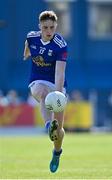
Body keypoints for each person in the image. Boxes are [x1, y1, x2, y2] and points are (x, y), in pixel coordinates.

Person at [23, 10, 68, 173]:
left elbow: (60, 73)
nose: (49, 31)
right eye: (45, 27)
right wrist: (26, 53)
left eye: (52, 27)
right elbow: (28, 44)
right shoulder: (32, 37)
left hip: (56, 82)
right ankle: (48, 125)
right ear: (40, 27)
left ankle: (57, 152)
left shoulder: (60, 45)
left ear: (56, 26)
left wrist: (58, 94)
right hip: (38, 79)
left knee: (59, 132)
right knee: (42, 94)